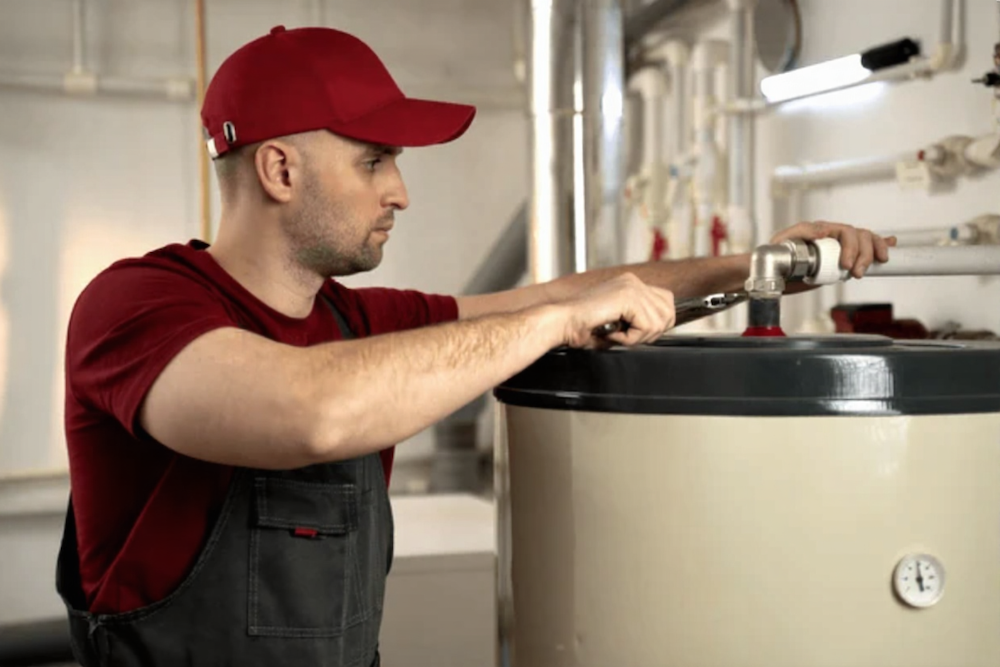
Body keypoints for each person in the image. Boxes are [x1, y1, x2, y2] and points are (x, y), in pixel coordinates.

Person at [55, 24, 895, 667]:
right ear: (280, 170)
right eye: (376, 160)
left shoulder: (356, 321)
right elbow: (308, 409)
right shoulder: (138, 305)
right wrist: (549, 326)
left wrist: (761, 268)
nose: (400, 191)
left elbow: (561, 294)